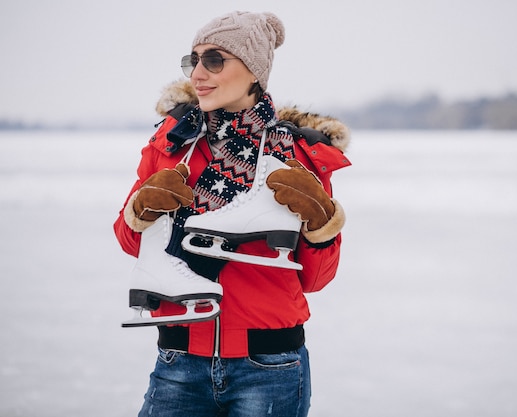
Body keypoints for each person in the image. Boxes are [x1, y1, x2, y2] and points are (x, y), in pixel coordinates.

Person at [113, 10, 351, 417]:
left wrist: (320, 222)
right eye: (193, 60)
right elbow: (133, 244)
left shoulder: (297, 154)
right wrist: (141, 207)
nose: (198, 74)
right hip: (179, 361)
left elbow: (315, 278)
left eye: (215, 60)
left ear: (254, 71)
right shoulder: (173, 142)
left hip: (270, 366)